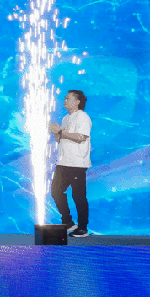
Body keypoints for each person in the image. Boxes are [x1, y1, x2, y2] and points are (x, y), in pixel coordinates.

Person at [48, 89, 91, 237]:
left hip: (77, 163)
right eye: (65, 98)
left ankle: (83, 228)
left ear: (77, 102)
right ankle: (68, 222)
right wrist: (56, 133)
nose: (65, 101)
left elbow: (81, 137)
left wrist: (61, 131)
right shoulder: (66, 118)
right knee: (56, 192)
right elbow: (60, 140)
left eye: (68, 98)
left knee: (78, 196)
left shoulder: (83, 117)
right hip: (63, 162)